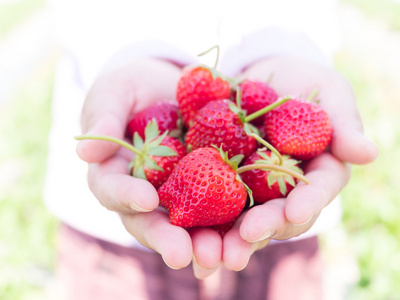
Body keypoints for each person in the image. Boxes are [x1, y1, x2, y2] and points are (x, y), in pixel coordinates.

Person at [43, 0, 379, 299]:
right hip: (113, 243)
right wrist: (130, 53)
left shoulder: (228, 148)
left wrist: (286, 49)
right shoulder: (208, 150)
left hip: (280, 239)